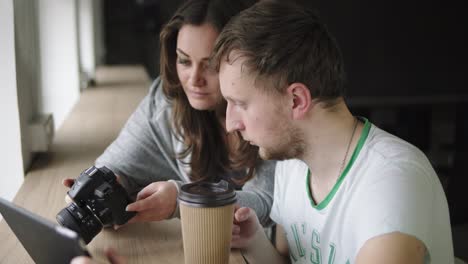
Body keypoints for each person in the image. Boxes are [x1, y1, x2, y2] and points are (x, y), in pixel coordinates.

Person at [209, 1, 454, 263]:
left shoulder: (394, 179)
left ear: (296, 100)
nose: (231, 123)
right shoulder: (292, 166)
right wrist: (254, 241)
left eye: (240, 104)